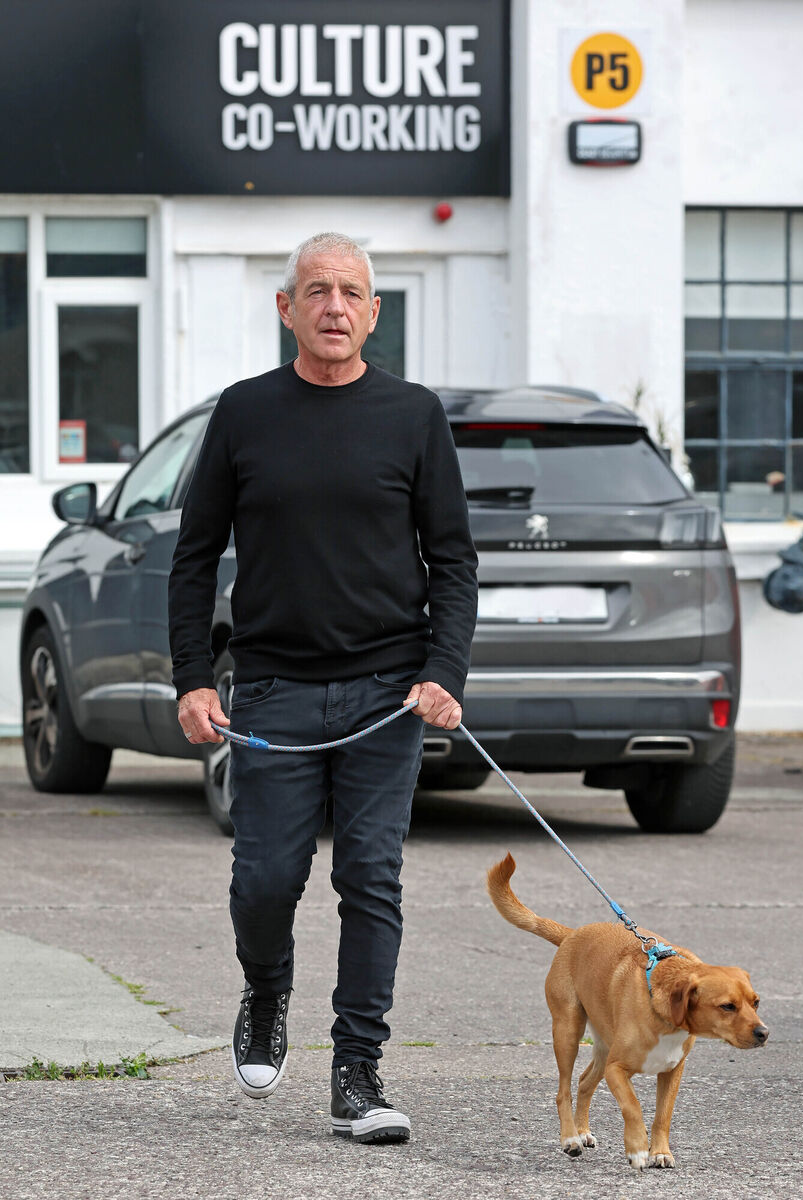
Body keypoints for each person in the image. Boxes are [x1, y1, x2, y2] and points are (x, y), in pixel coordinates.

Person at [168, 232, 478, 1144]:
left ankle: (357, 1072)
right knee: (266, 880)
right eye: (316, 290)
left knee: (370, 877)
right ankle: (267, 990)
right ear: (287, 308)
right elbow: (193, 557)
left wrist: (443, 671)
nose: (334, 306)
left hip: (388, 695)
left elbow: (454, 560)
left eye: (350, 292)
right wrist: (193, 680)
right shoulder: (244, 412)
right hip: (273, 690)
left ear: (374, 312)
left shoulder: (414, 415)